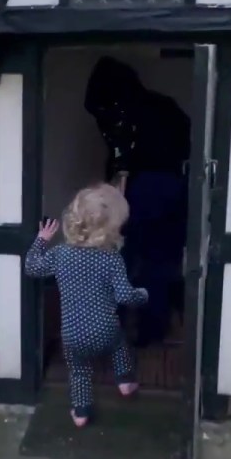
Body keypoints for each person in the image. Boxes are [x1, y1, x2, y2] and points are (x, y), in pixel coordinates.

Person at [84, 56, 191, 345]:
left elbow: (121, 160)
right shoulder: (164, 106)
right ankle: (152, 331)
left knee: (121, 257)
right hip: (175, 188)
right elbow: (188, 145)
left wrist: (112, 189)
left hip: (141, 187)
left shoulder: (122, 112)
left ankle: (109, 329)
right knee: (159, 262)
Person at [25, 184, 148, 429]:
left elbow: (31, 267)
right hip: (105, 330)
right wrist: (142, 295)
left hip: (72, 335)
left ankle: (81, 413)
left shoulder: (61, 254)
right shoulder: (111, 257)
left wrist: (41, 240)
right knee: (120, 344)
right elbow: (125, 295)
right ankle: (125, 381)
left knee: (79, 372)